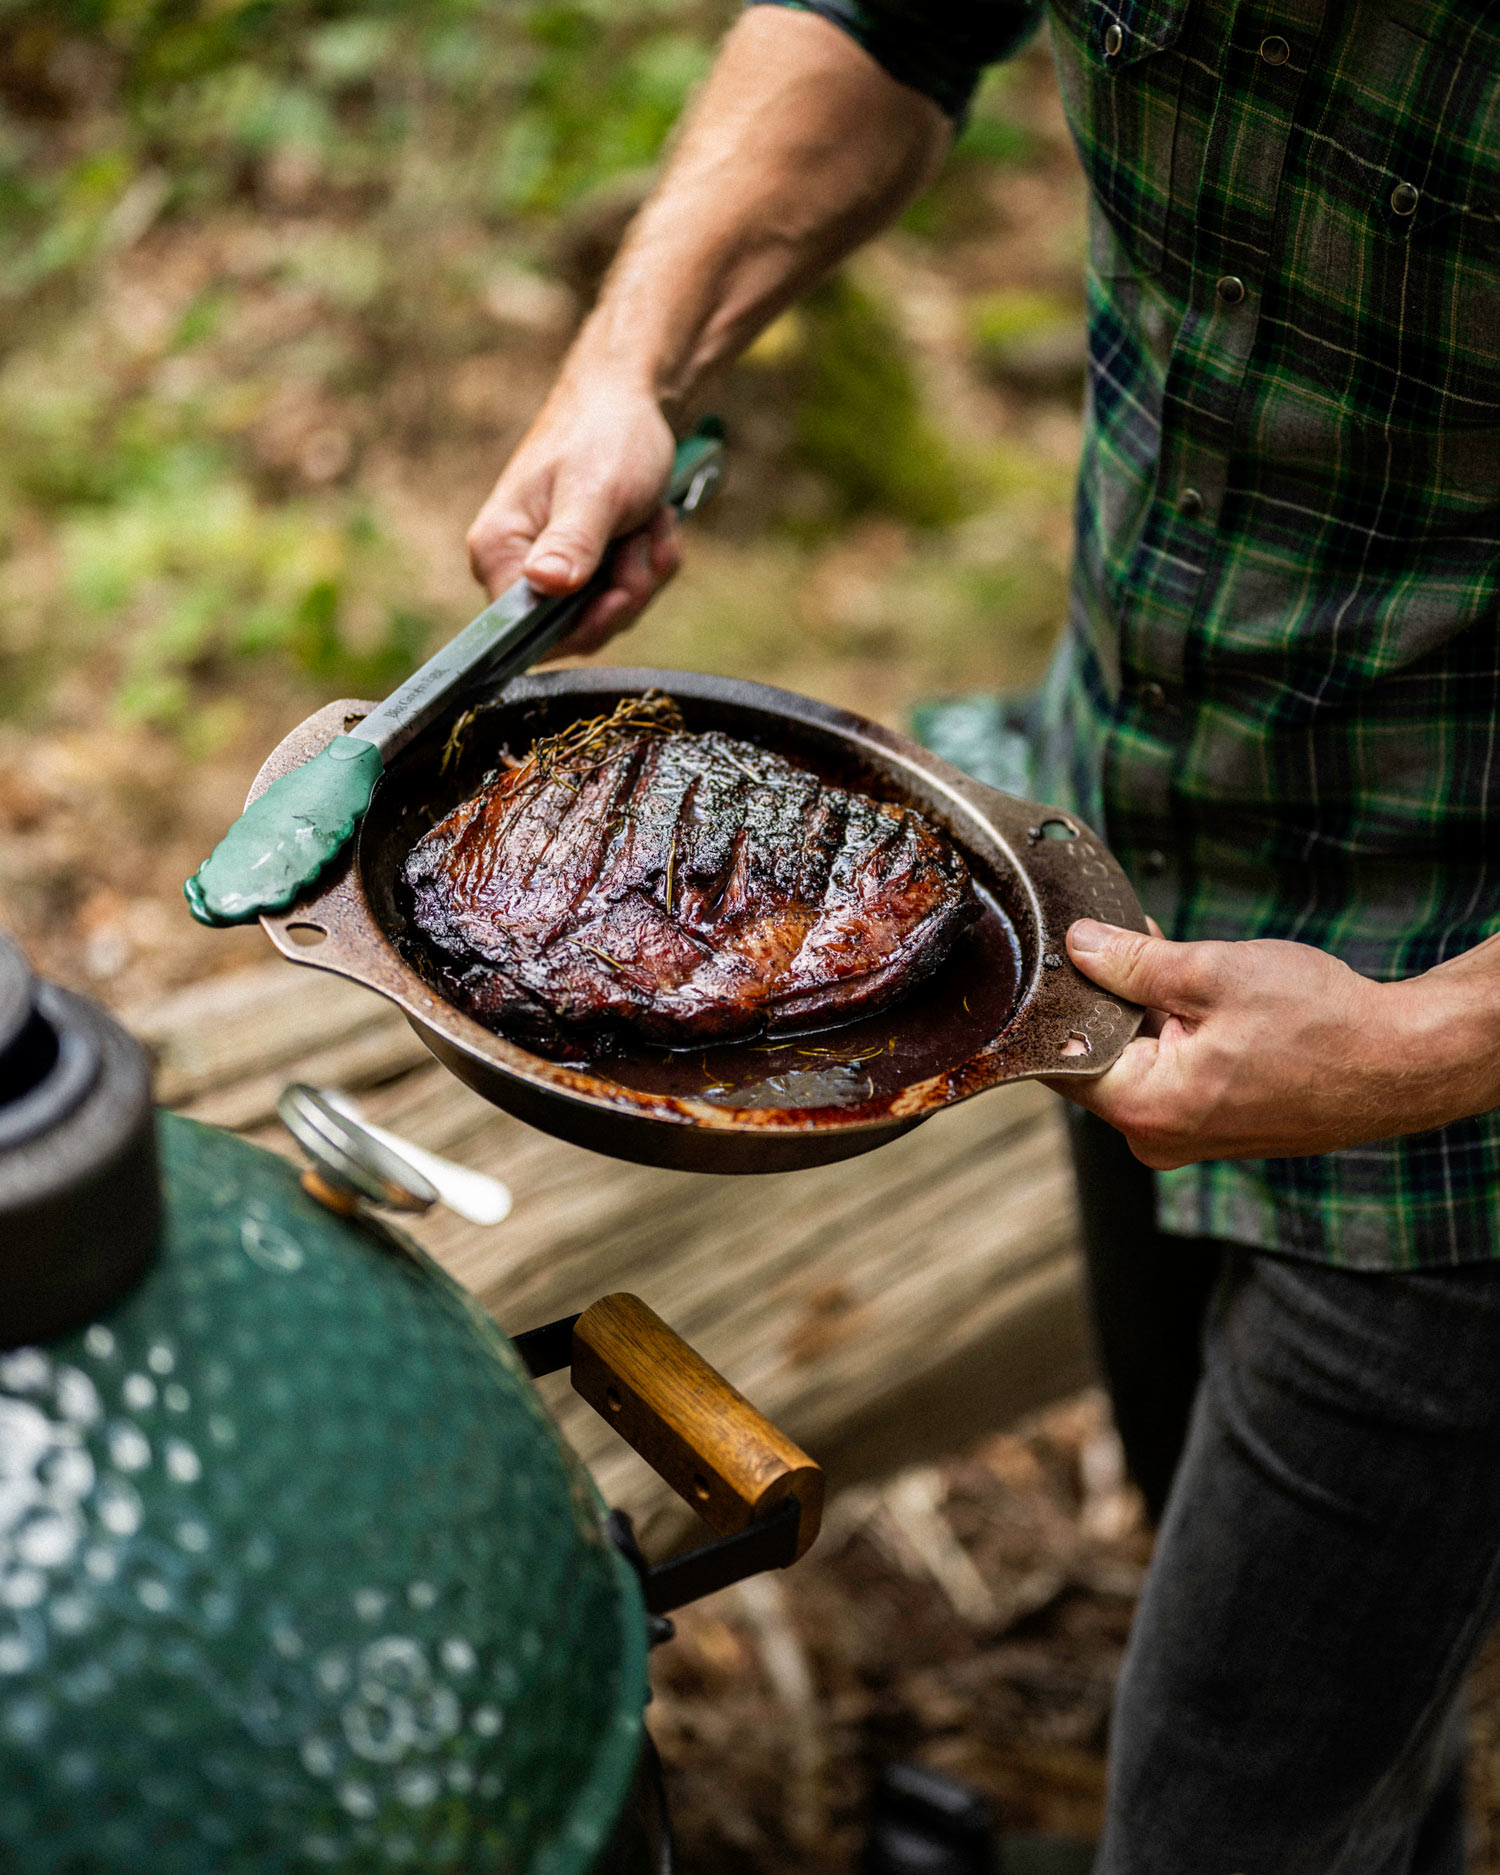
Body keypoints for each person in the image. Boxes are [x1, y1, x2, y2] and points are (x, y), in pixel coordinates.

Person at [465, 5, 1500, 1869]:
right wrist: (640, 354)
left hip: (1459, 1057)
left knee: (1228, 1821)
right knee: (1315, 1693)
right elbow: (886, 20)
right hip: (1119, 865)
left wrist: (1434, 1043)